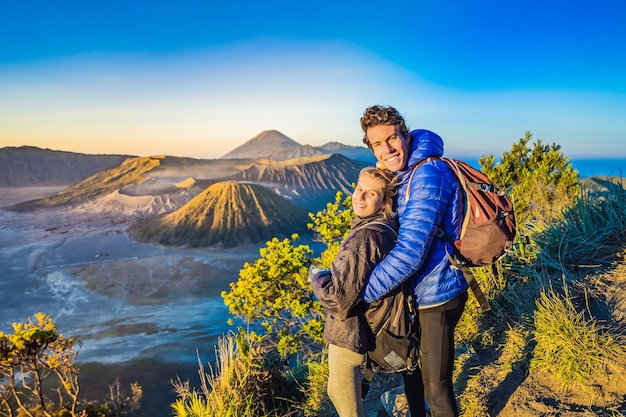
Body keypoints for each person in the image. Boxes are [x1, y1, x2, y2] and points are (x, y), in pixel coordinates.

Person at [359, 105, 469, 417]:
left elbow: (410, 253)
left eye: (392, 138)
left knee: (436, 387)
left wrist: (361, 293)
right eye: (377, 144)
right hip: (414, 296)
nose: (387, 149)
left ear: (405, 136)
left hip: (439, 295)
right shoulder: (404, 173)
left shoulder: (428, 175)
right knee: (411, 368)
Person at [309, 166, 399, 417]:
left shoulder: (365, 238)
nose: (359, 197)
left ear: (384, 202)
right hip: (366, 328)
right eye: (359, 189)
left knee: (342, 398)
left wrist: (318, 278)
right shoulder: (385, 227)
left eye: (370, 194)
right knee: (347, 396)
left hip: (349, 332)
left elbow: (338, 301)